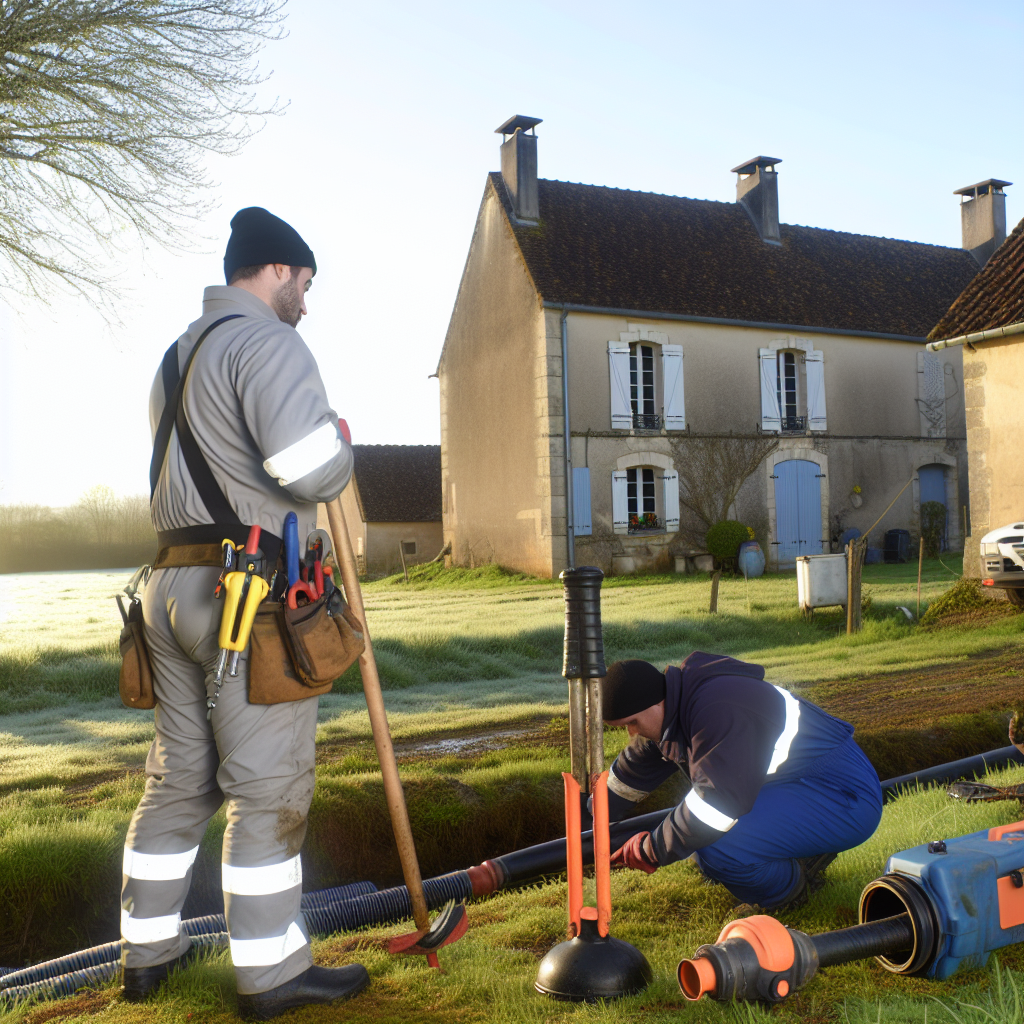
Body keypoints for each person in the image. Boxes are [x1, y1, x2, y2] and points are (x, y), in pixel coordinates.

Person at [122, 207, 367, 1020]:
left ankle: (147, 956)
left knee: (180, 781)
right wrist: (339, 440)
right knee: (268, 790)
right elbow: (310, 471)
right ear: (276, 271)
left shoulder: (174, 357)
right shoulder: (269, 343)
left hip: (167, 590)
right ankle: (270, 975)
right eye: (305, 282)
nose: (307, 299)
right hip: (244, 598)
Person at [603, 653, 882, 911]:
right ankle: (792, 855)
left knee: (717, 845)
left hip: (844, 795)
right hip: (804, 783)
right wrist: (594, 807)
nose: (631, 732)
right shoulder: (683, 702)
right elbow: (637, 766)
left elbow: (716, 806)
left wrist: (651, 849)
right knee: (699, 845)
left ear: (655, 703)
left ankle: (788, 894)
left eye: (632, 722)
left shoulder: (717, 710)